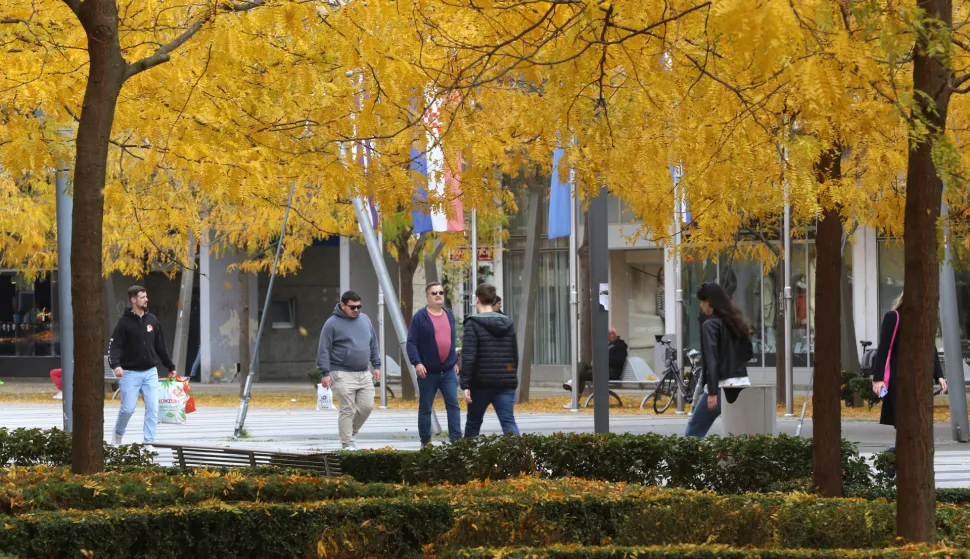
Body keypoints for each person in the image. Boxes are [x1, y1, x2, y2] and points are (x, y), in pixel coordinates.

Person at [872, 292, 947, 451]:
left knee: (916, 420)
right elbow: (884, 348)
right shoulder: (894, 316)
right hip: (898, 376)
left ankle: (901, 456)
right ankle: (898, 457)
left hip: (919, 377)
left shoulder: (924, 320)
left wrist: (939, 376)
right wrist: (878, 379)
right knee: (903, 419)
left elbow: (930, 349)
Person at [109, 285, 177, 448]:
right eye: (142, 297)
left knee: (153, 408)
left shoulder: (152, 320)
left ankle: (149, 442)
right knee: (128, 409)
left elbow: (161, 346)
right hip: (129, 373)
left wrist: (170, 367)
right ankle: (118, 434)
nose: (146, 299)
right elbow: (115, 346)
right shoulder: (124, 323)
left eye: (146, 297)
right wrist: (116, 365)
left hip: (150, 372)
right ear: (133, 300)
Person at [685, 282, 753, 437]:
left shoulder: (710, 325)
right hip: (742, 384)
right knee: (738, 434)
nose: (701, 306)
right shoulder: (737, 323)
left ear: (709, 301)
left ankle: (687, 460)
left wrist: (712, 392)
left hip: (721, 387)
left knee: (694, 430)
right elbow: (747, 354)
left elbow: (711, 360)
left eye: (702, 301)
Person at [317, 290, 382, 450]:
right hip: (340, 372)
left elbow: (373, 343)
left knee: (367, 406)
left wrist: (377, 365)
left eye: (359, 307)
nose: (356, 310)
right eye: (352, 307)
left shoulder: (365, 320)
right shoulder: (331, 323)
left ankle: (350, 433)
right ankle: (347, 443)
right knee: (348, 408)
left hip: (363, 371)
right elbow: (323, 348)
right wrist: (325, 373)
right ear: (342, 305)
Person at [461, 283, 520, 437]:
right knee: (508, 422)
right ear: (494, 300)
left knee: (473, 422)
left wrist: (466, 383)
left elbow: (469, 356)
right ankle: (521, 457)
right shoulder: (508, 323)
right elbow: (514, 355)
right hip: (506, 383)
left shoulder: (472, 324)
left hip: (480, 383)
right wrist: (511, 374)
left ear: (477, 299)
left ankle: (467, 458)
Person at [407, 282, 462, 446]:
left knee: (453, 405)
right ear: (427, 297)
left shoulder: (449, 314)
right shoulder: (420, 317)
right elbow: (411, 343)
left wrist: (454, 361)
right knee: (426, 407)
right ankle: (426, 441)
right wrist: (417, 363)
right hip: (427, 372)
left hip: (448, 371)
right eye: (434, 293)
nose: (438, 295)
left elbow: (451, 340)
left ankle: (456, 440)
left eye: (441, 292)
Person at [562, 326, 628, 394]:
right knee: (582, 364)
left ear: (613, 334)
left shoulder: (620, 346)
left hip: (609, 373)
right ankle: (573, 382)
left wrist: (602, 359)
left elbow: (619, 361)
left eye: (607, 335)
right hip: (602, 369)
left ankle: (574, 394)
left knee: (582, 374)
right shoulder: (610, 345)